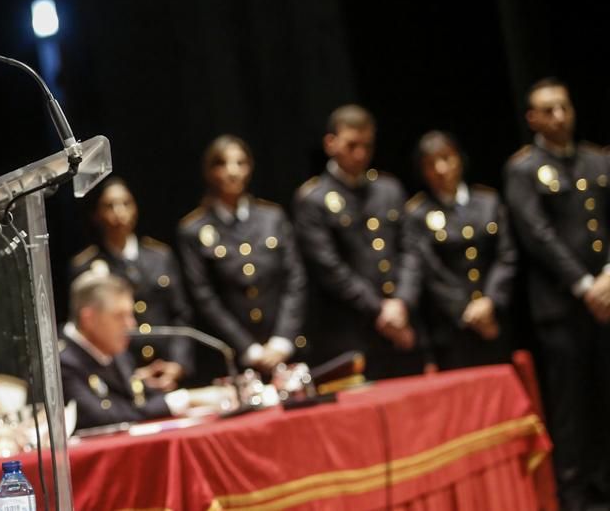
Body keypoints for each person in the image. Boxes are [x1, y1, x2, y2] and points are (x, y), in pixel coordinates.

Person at [503, 78, 610, 509]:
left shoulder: (597, 160)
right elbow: (537, 235)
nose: (559, 117)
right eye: (548, 110)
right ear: (532, 118)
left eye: (564, 107)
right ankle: (575, 496)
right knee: (571, 408)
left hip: (608, 298)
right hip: (563, 307)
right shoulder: (524, 168)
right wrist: (586, 285)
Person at [292, 104, 424, 380]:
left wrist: (401, 302)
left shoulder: (388, 188)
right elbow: (329, 268)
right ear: (330, 144)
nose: (361, 154)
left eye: (367, 145)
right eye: (352, 145)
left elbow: (410, 250)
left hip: (403, 325)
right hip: (353, 335)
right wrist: (380, 310)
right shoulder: (313, 199)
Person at [176, 136, 307, 375]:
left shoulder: (272, 217)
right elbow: (203, 296)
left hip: (284, 347)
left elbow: (294, 279)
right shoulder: (194, 229)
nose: (232, 172)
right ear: (210, 171)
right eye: (223, 164)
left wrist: (282, 340)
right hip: (234, 357)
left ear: (250, 167)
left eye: (240, 163)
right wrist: (249, 349)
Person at [400, 131, 514, 370]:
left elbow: (506, 256)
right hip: (452, 327)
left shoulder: (488, 201)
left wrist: (490, 302)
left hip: (496, 317)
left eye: (446, 158)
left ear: (459, 159)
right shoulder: (417, 212)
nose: (441, 169)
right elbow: (431, 270)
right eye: (431, 163)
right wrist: (466, 311)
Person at [69, 177, 193, 391]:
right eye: (109, 206)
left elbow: (181, 314)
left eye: (125, 204)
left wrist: (178, 364)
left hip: (169, 372)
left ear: (135, 208)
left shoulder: (160, 256)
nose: (119, 212)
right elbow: (86, 332)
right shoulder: (85, 266)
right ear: (96, 215)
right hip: (121, 379)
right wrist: (128, 375)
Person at [59, 271, 222, 431]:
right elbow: (106, 417)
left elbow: (137, 400)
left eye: (130, 315)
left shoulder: (111, 347)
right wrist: (184, 399)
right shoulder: (61, 362)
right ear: (89, 318)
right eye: (119, 316)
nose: (131, 325)